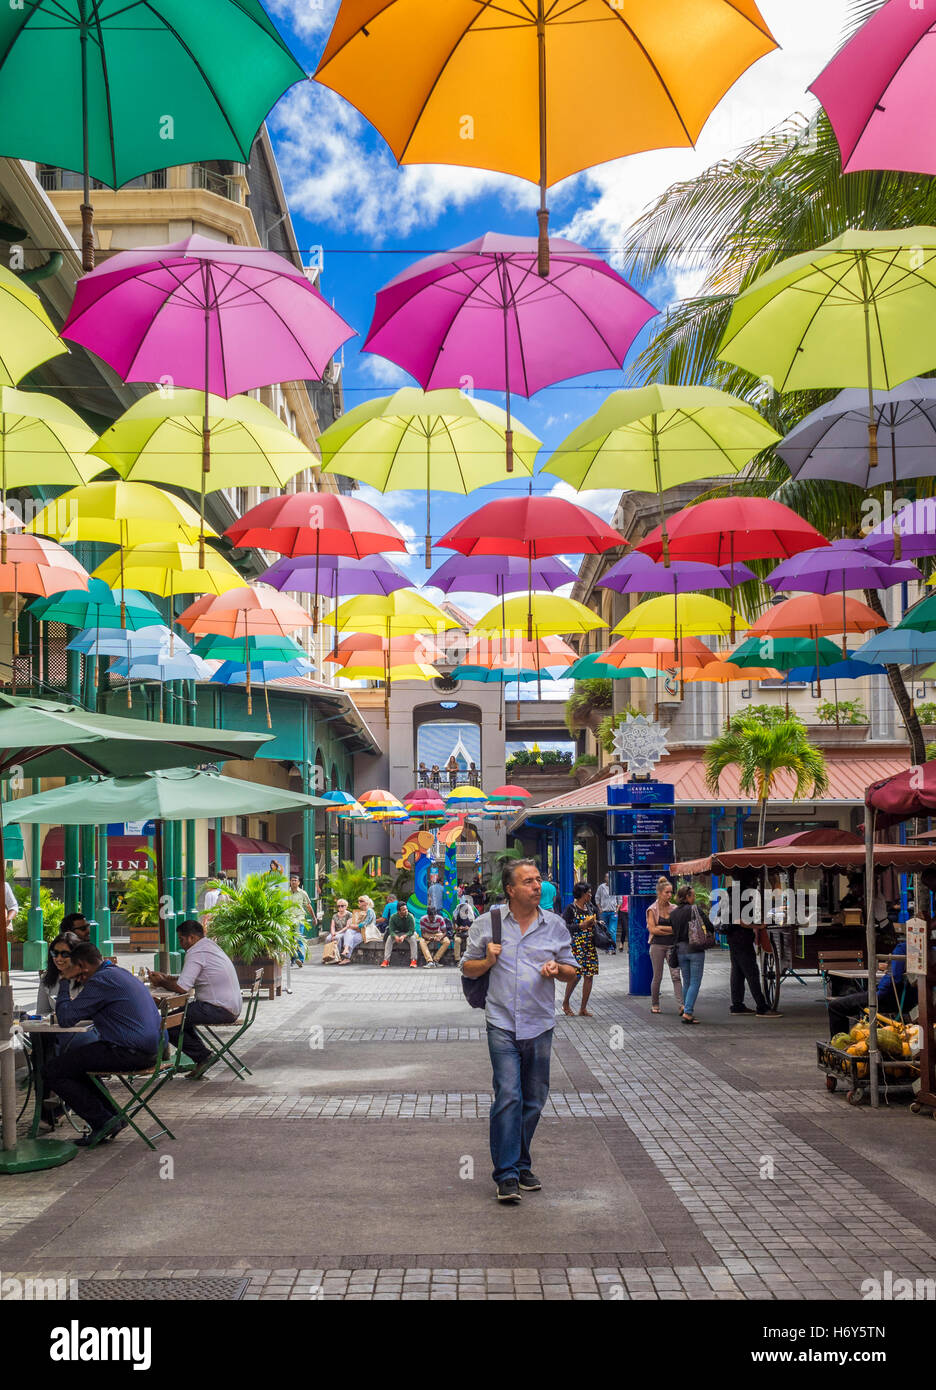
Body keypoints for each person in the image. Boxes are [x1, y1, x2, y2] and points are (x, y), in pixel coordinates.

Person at [462, 857, 578, 1204]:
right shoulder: (488, 924)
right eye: (528, 881)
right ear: (511, 890)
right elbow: (468, 969)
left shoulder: (555, 925)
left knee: (534, 1099)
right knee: (509, 1095)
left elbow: (574, 970)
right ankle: (508, 1173)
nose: (536, 886)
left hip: (540, 1022)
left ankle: (521, 1160)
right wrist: (488, 960)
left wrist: (557, 969)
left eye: (538, 879)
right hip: (501, 1022)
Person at [43, 943, 162, 1146]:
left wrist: (63, 981)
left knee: (53, 1070)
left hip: (129, 1051)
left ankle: (103, 1120)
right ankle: (112, 1117)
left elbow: (65, 1017)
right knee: (75, 1065)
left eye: (78, 974)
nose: (79, 980)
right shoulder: (118, 973)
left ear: (82, 965)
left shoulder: (101, 980)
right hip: (150, 1049)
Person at [149, 920, 242, 1079]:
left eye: (181, 939)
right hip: (228, 1006)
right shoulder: (209, 947)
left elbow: (182, 988)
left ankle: (203, 1056)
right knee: (180, 1018)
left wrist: (161, 982)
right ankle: (202, 1056)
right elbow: (188, 980)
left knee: (168, 1022)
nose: (181, 943)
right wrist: (167, 978)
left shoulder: (196, 952)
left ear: (191, 938)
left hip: (218, 1008)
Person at [827, 928, 913, 1038]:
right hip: (909, 1000)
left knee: (836, 1006)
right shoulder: (929, 948)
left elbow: (893, 979)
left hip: (889, 999)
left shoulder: (903, 948)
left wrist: (877, 994)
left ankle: (839, 1045)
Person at [725, 874, 781, 1018]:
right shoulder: (741, 897)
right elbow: (741, 921)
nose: (756, 885)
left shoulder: (731, 894)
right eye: (754, 882)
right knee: (752, 972)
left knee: (737, 972)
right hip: (742, 937)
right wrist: (758, 926)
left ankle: (737, 1005)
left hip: (732, 937)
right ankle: (762, 1007)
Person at [670, 884, 712, 1025]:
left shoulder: (674, 913)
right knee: (695, 982)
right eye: (693, 895)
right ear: (687, 897)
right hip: (695, 949)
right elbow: (709, 925)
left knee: (687, 981)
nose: (694, 897)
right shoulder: (695, 909)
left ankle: (685, 1007)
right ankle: (688, 1012)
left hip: (680, 951)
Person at [646, 877, 684, 1016]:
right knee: (657, 976)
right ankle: (655, 1004)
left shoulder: (674, 909)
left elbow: (678, 929)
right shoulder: (652, 909)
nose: (669, 895)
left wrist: (661, 927)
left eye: (671, 892)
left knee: (676, 975)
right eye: (667, 892)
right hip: (657, 946)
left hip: (672, 946)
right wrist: (668, 928)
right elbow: (652, 930)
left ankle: (681, 1005)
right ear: (660, 893)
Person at [562, 882, 600, 1017]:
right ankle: (565, 1002)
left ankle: (583, 1008)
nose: (590, 895)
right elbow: (564, 926)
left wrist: (598, 923)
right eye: (588, 892)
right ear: (582, 894)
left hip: (589, 945)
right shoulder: (571, 909)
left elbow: (598, 921)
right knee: (575, 975)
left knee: (589, 976)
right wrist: (580, 926)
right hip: (576, 946)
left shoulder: (591, 908)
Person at [381, 900, 420, 968]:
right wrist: (395, 936)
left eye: (406, 909)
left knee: (413, 939)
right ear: (399, 911)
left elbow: (412, 930)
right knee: (390, 938)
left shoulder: (410, 916)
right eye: (404, 910)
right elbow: (391, 930)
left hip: (409, 933)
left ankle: (414, 960)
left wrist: (404, 936)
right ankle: (386, 960)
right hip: (398, 933)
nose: (406, 910)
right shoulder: (393, 917)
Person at [286, 873, 314, 966]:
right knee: (290, 940)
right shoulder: (286, 893)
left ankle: (300, 959)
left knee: (298, 939)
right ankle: (293, 959)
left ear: (298, 882)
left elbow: (308, 906)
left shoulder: (302, 893)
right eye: (292, 880)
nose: (293, 882)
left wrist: (314, 917)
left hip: (299, 919)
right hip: (289, 919)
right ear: (290, 882)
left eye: (295, 881)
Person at [594, 873, 618, 956]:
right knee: (605, 930)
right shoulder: (601, 887)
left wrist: (617, 910)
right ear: (605, 878)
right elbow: (597, 898)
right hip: (604, 912)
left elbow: (619, 899)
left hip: (613, 912)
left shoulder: (615, 886)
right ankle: (607, 947)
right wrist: (599, 908)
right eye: (607, 877)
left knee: (612, 930)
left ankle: (613, 947)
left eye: (610, 877)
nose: (608, 879)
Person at [323, 898, 351, 964]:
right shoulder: (335, 915)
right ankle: (327, 956)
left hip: (344, 932)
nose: (340, 907)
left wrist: (337, 933)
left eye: (342, 906)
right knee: (328, 938)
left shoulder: (349, 914)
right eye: (338, 906)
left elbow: (348, 926)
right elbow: (332, 926)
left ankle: (337, 957)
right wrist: (333, 933)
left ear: (346, 906)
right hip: (335, 932)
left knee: (337, 938)